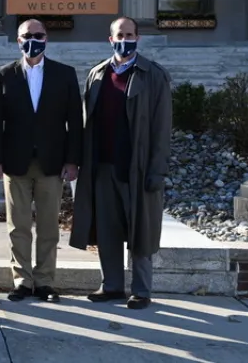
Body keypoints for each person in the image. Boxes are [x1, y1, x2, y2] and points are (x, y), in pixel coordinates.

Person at [69, 17, 172, 310]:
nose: (124, 39)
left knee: (141, 230)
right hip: (102, 165)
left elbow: (162, 128)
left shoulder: (153, 75)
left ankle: (141, 289)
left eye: (130, 34)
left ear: (138, 38)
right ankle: (111, 285)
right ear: (110, 39)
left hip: (136, 168)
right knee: (107, 230)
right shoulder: (97, 74)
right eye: (119, 35)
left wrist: (157, 169)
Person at [0, 19, 82, 304]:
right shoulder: (4, 74)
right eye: (27, 35)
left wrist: (73, 160)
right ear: (18, 40)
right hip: (15, 162)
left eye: (38, 35)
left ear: (47, 38)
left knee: (49, 227)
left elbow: (75, 122)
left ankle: (44, 282)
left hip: (52, 162)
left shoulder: (65, 74)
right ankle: (21, 280)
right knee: (18, 226)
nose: (33, 40)